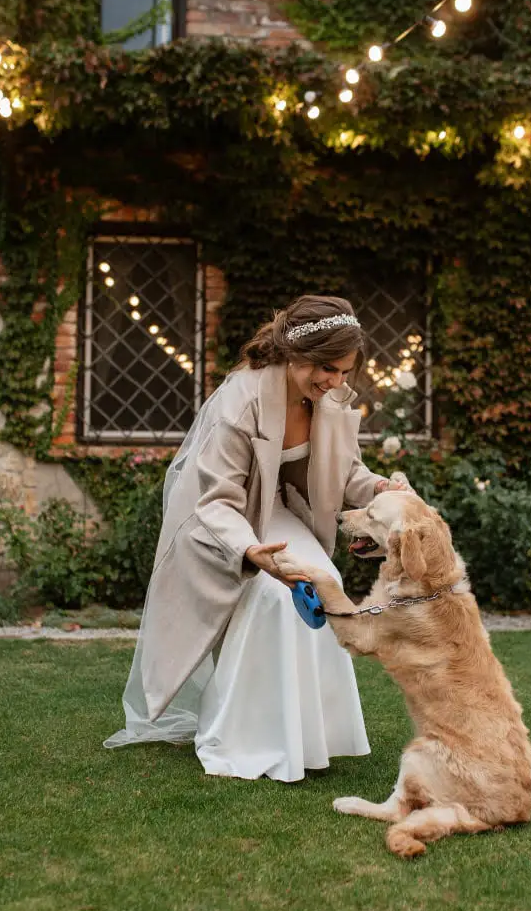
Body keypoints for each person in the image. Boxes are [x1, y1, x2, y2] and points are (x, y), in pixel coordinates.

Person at [104, 295, 389, 782]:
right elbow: (215, 499)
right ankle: (239, 735)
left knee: (319, 580)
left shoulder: (332, 396)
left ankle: (308, 738)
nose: (337, 382)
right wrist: (250, 551)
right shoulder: (241, 399)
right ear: (297, 355)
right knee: (274, 598)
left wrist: (381, 489)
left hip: (274, 510)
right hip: (222, 519)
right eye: (328, 369)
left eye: (345, 372)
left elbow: (348, 471)